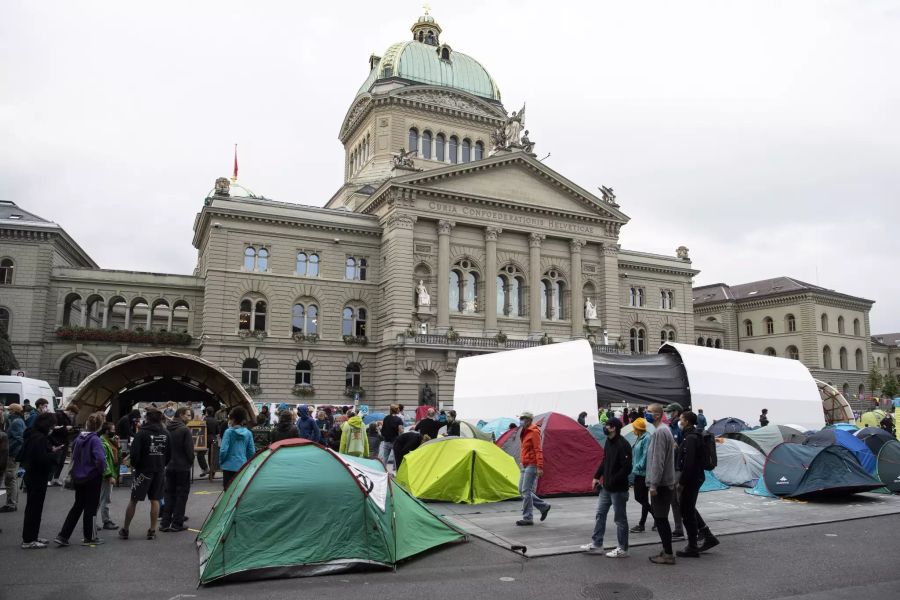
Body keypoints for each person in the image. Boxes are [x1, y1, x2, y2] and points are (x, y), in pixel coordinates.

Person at [54, 411, 107, 546]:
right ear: (100, 426)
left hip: (78, 477)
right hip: (92, 477)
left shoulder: (79, 438)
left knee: (77, 506)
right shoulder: (95, 440)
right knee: (91, 508)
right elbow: (100, 459)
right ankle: (89, 537)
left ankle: (63, 535)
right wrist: (101, 471)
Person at [581, 417, 631, 557]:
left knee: (620, 519)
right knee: (600, 514)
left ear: (613, 428)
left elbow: (627, 468)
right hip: (606, 487)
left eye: (607, 425)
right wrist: (596, 477)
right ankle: (597, 544)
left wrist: (613, 480)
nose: (605, 427)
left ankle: (622, 548)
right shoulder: (609, 442)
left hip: (618, 489)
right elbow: (605, 460)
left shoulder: (623, 444)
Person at [119, 408, 170, 541]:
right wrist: (162, 463)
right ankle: (152, 530)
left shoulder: (141, 433)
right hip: (159, 470)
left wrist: (136, 466)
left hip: (143, 471)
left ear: (147, 418)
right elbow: (169, 454)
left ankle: (125, 529)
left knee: (134, 499)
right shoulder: (166, 433)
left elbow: (134, 454)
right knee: (155, 499)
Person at [675, 411, 720, 557]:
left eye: (681, 419)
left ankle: (693, 546)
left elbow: (689, 463)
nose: (679, 421)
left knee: (686, 511)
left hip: (692, 479)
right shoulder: (692, 436)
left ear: (686, 422)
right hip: (695, 477)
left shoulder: (691, 438)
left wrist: (681, 483)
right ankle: (707, 536)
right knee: (688, 508)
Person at [20, 411, 59, 549]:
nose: (53, 428)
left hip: (31, 475)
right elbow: (41, 459)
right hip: (37, 476)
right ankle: (29, 539)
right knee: (34, 508)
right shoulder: (40, 438)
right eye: (52, 425)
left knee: (33, 507)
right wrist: (53, 453)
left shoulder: (32, 434)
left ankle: (32, 536)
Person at [646, 403, 677, 564]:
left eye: (649, 411)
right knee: (661, 518)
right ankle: (667, 550)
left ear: (658, 415)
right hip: (666, 482)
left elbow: (657, 461)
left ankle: (668, 554)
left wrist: (653, 484)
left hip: (661, 484)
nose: (646, 413)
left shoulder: (659, 432)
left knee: (660, 519)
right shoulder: (665, 430)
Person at [160, 407, 194, 533]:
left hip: (169, 466)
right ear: (181, 415)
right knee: (181, 495)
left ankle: (164, 523)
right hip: (183, 467)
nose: (189, 418)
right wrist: (190, 461)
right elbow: (189, 451)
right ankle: (177, 523)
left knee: (169, 494)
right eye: (188, 415)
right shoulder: (185, 430)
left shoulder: (167, 428)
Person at [515, 411, 551, 526]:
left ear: (529, 420)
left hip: (532, 465)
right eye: (520, 418)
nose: (521, 421)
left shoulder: (534, 432)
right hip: (525, 464)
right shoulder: (524, 432)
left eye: (523, 419)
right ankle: (544, 506)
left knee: (526, 491)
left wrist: (540, 467)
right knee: (522, 490)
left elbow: (538, 450)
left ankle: (527, 518)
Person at [663, 402, 686, 540]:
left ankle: (692, 528)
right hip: (671, 467)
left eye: (670, 412)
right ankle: (679, 529)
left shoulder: (680, 427)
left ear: (676, 412)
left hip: (679, 468)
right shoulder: (670, 427)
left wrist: (678, 447)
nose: (668, 414)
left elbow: (685, 448)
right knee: (674, 500)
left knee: (679, 500)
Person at [219, 407, 255, 489]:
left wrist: (221, 462)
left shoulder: (228, 432)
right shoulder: (248, 433)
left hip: (228, 467)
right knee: (238, 492)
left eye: (230, 419)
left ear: (233, 419)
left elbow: (223, 450)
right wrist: (247, 464)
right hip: (242, 466)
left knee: (228, 492)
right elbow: (251, 452)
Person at [629, 418, 652, 534]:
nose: (633, 430)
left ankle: (657, 518)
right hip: (638, 471)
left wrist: (639, 465)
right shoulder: (639, 437)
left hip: (642, 472)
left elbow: (646, 454)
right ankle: (642, 524)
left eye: (634, 428)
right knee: (643, 499)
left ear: (638, 428)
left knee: (640, 498)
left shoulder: (646, 437)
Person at [2, 403, 26, 513]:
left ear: (14, 411)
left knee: (10, 478)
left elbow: (19, 438)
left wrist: (10, 449)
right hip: (13, 453)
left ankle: (11, 503)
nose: (8, 411)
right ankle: (11, 502)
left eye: (9, 409)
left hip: (12, 454)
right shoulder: (17, 421)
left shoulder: (16, 422)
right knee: (11, 478)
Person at [49, 403, 79, 486]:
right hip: (56, 441)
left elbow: (68, 429)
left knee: (61, 461)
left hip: (65, 441)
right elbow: (53, 429)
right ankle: (49, 479)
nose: (72, 416)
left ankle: (56, 478)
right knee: (55, 460)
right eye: (72, 413)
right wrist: (65, 428)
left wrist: (73, 430)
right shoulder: (58, 415)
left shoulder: (70, 419)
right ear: (69, 410)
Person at [97, 421, 119, 532]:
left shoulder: (109, 441)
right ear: (106, 431)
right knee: (104, 498)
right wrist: (109, 475)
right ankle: (105, 521)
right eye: (113, 430)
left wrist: (117, 445)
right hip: (105, 475)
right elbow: (104, 461)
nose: (114, 432)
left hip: (108, 474)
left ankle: (93, 520)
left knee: (101, 498)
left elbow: (114, 459)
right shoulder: (102, 442)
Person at [198, 406, 219, 479]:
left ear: (206, 412)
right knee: (212, 456)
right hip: (213, 439)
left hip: (205, 439)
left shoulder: (204, 419)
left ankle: (205, 468)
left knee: (200, 454)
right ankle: (212, 473)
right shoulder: (215, 420)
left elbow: (200, 429)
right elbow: (217, 432)